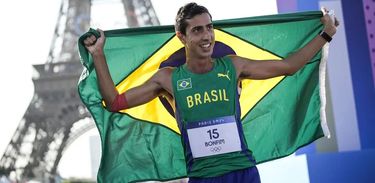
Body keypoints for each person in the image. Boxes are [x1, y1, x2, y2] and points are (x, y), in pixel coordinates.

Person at [83, 2, 339, 183]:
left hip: (243, 173)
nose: (207, 35)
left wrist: (326, 34)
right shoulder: (169, 79)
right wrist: (99, 55)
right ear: (181, 36)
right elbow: (115, 102)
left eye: (209, 27)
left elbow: (290, 66)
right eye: (197, 30)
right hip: (203, 178)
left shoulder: (233, 66)